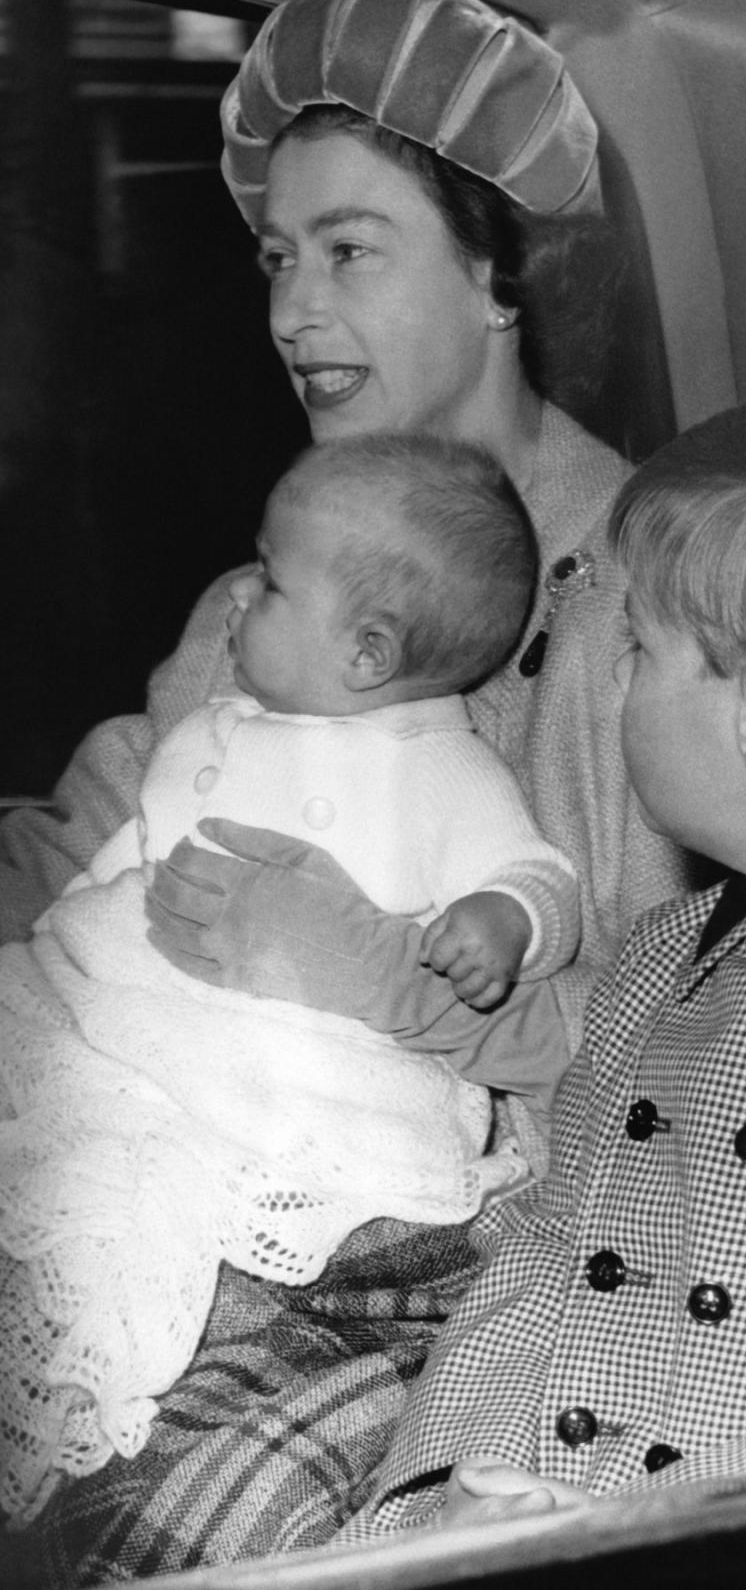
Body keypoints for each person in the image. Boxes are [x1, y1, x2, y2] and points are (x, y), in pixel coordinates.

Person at [0, 0, 694, 1581]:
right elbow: (106, 837)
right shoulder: (279, 586)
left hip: (449, 1241)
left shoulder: (655, 607)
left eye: (350, 252)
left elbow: (669, 1054)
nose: (289, 313)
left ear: (498, 269)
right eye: (274, 257)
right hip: (170, 1122)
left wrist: (384, 972)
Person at [324, 391, 746, 1543]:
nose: (611, 685)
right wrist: (449, 1492)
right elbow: (543, 1260)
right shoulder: (666, 961)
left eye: (638, 649)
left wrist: (623, 1523)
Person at [0, 429, 585, 1524]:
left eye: (267, 582)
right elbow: (120, 866)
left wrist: (503, 919)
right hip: (141, 1017)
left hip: (312, 1084)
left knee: (160, 1189)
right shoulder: (216, 726)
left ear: (366, 653)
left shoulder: (442, 768)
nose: (235, 602)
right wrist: (65, 943)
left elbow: (534, 873)